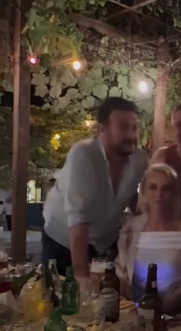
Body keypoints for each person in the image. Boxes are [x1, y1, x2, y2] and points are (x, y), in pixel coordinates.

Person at [42, 98, 147, 286]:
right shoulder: (83, 155)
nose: (132, 135)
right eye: (123, 128)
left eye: (134, 127)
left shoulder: (139, 160)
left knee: (107, 295)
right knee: (62, 296)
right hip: (64, 240)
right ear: (101, 130)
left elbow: (133, 197)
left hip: (103, 241)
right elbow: (78, 219)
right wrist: (81, 274)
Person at [115, 164, 181, 315]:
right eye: (152, 187)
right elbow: (121, 272)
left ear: (174, 194)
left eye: (166, 189)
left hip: (171, 317)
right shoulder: (132, 229)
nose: (159, 194)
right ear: (144, 192)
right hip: (130, 311)